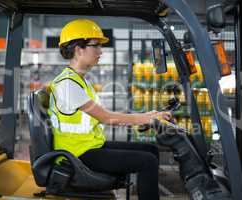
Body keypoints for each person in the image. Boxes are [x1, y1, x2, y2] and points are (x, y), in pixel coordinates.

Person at [48, 18, 172, 200]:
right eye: (95, 45)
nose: (100, 51)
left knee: (150, 150)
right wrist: (147, 118)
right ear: (78, 49)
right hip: (78, 155)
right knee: (148, 162)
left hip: (88, 147)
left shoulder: (78, 81)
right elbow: (106, 118)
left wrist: (149, 115)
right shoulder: (68, 84)